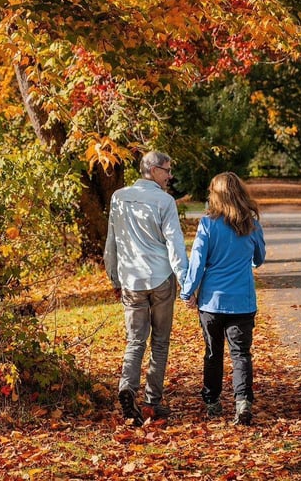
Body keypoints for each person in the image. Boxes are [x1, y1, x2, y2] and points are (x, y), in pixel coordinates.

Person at [104, 150, 188, 426]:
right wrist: (186, 281)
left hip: (131, 281)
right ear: (153, 170)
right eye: (167, 169)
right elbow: (174, 245)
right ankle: (152, 401)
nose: (170, 175)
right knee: (160, 342)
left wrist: (114, 278)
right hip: (161, 278)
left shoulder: (119, 197)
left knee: (135, 340)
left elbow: (112, 243)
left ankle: (127, 386)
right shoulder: (165, 201)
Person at [180, 171, 265, 425]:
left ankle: (213, 401)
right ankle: (242, 402)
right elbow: (259, 259)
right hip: (242, 301)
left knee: (213, 353)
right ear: (240, 193)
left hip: (211, 303)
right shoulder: (251, 224)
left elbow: (196, 263)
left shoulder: (207, 224)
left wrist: (188, 291)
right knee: (241, 353)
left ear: (215, 195)